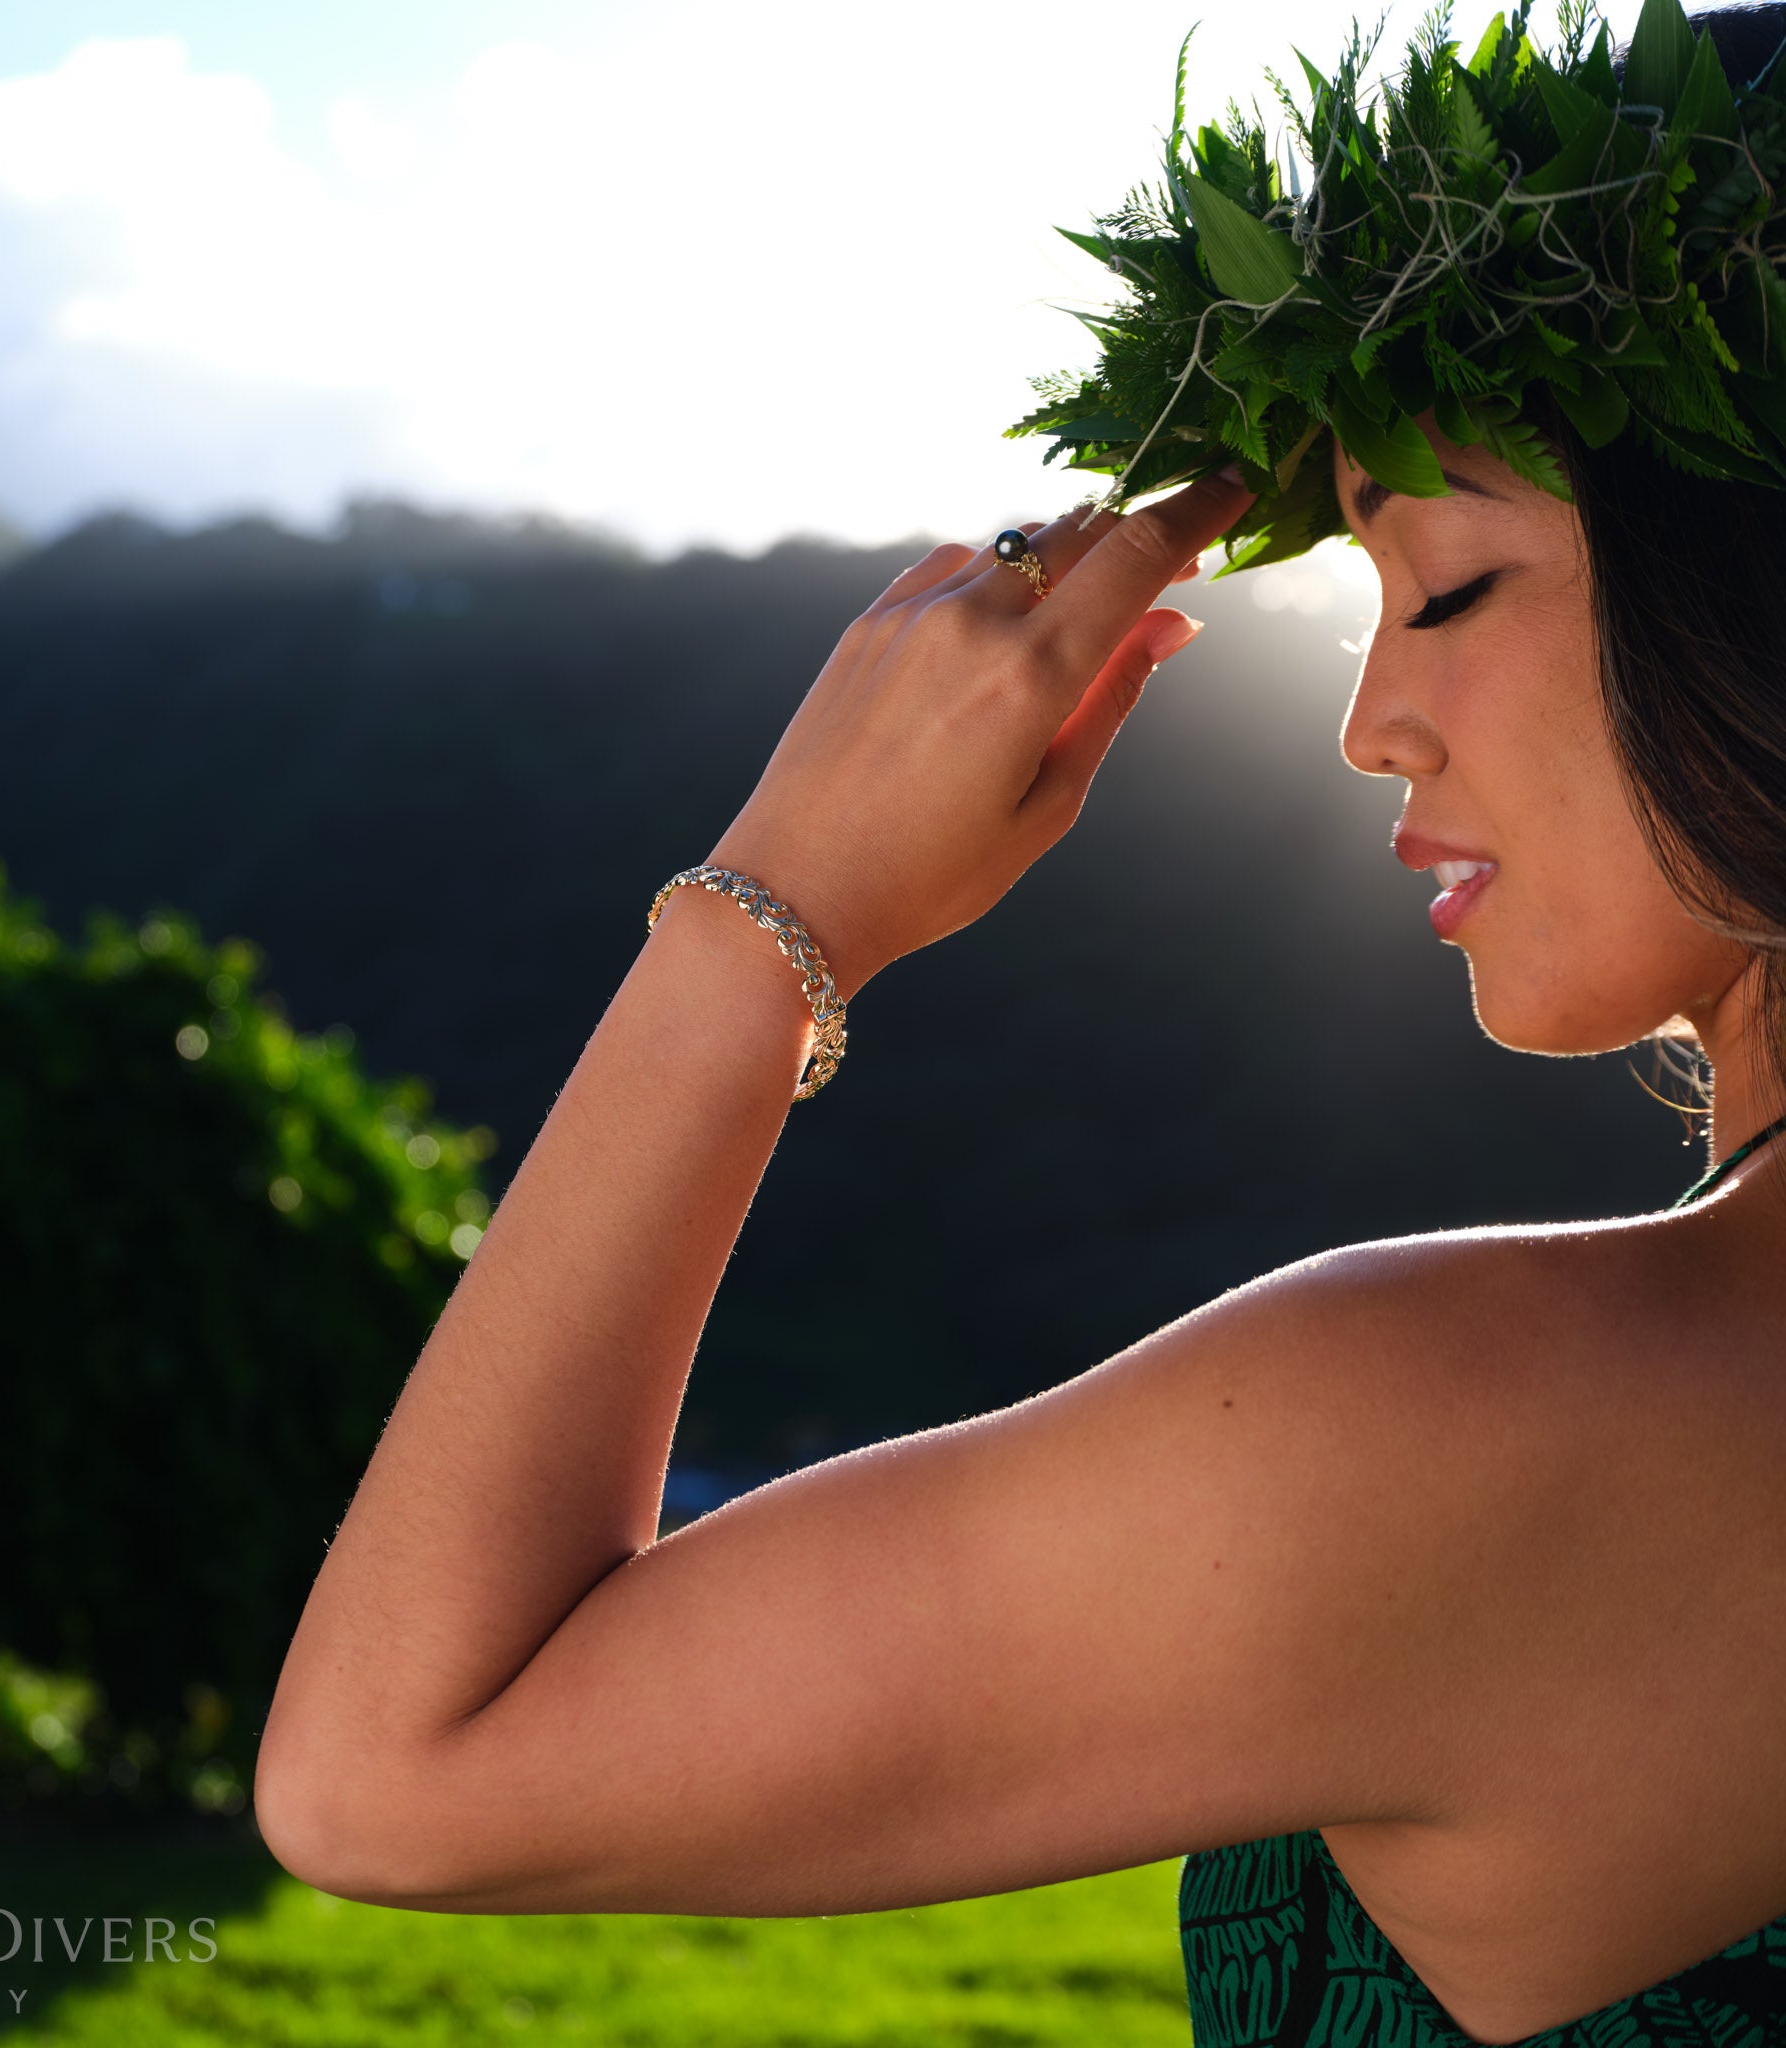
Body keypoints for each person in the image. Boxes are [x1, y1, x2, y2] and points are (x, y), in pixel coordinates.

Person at [254, 6, 1786, 2042]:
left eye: (1451, 587)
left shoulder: (1478, 1436)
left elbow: (397, 1768)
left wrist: (772, 911)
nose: (1364, 721)